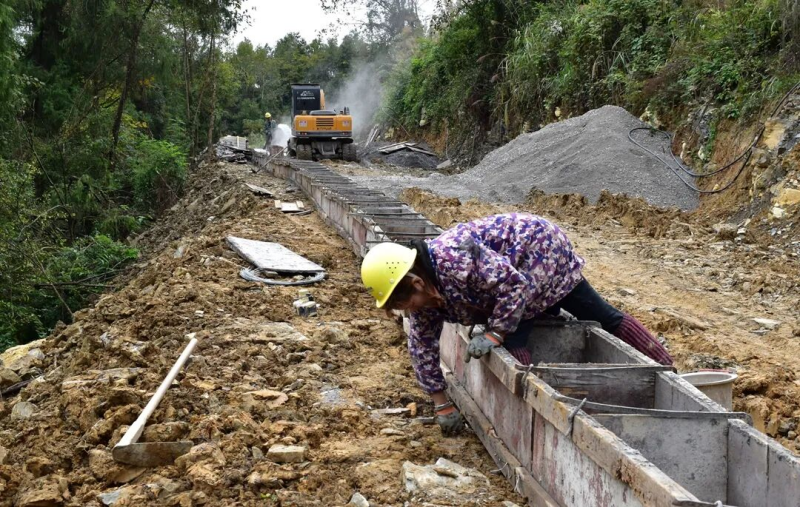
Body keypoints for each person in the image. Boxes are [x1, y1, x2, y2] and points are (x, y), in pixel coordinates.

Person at [360, 213, 673, 436]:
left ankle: (667, 371)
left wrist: (496, 332)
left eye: (403, 304)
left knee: (590, 318)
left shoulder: (453, 261)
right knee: (518, 326)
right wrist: (441, 404)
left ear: (415, 282)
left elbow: (514, 286)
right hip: (518, 270)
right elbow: (421, 345)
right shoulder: (425, 297)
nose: (407, 312)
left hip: (540, 249)